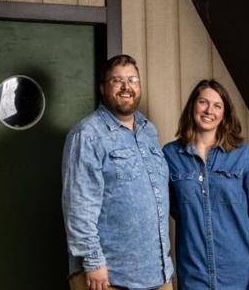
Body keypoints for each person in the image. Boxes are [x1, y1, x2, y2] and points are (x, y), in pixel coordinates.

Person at [62, 54, 173, 290]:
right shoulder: (87, 134)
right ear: (103, 88)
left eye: (133, 80)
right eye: (117, 81)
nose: (127, 87)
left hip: (157, 274)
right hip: (109, 277)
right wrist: (93, 261)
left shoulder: (149, 131)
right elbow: (78, 204)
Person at [163, 79, 249, 290]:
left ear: (225, 114)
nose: (209, 110)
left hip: (239, 275)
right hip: (194, 275)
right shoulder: (170, 155)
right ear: (193, 106)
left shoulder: (243, 155)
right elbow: (171, 209)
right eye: (203, 102)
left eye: (217, 105)